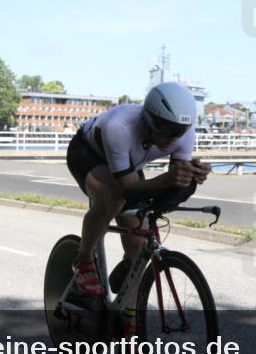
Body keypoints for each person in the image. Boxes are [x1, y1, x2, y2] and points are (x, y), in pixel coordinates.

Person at [66, 82, 211, 297]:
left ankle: (128, 316)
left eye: (178, 132)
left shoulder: (185, 133)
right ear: (149, 120)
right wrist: (169, 178)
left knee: (137, 243)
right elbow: (128, 190)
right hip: (89, 153)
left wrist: (191, 176)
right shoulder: (119, 127)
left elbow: (172, 183)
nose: (172, 138)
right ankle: (84, 262)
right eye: (166, 130)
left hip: (128, 164)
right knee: (113, 200)